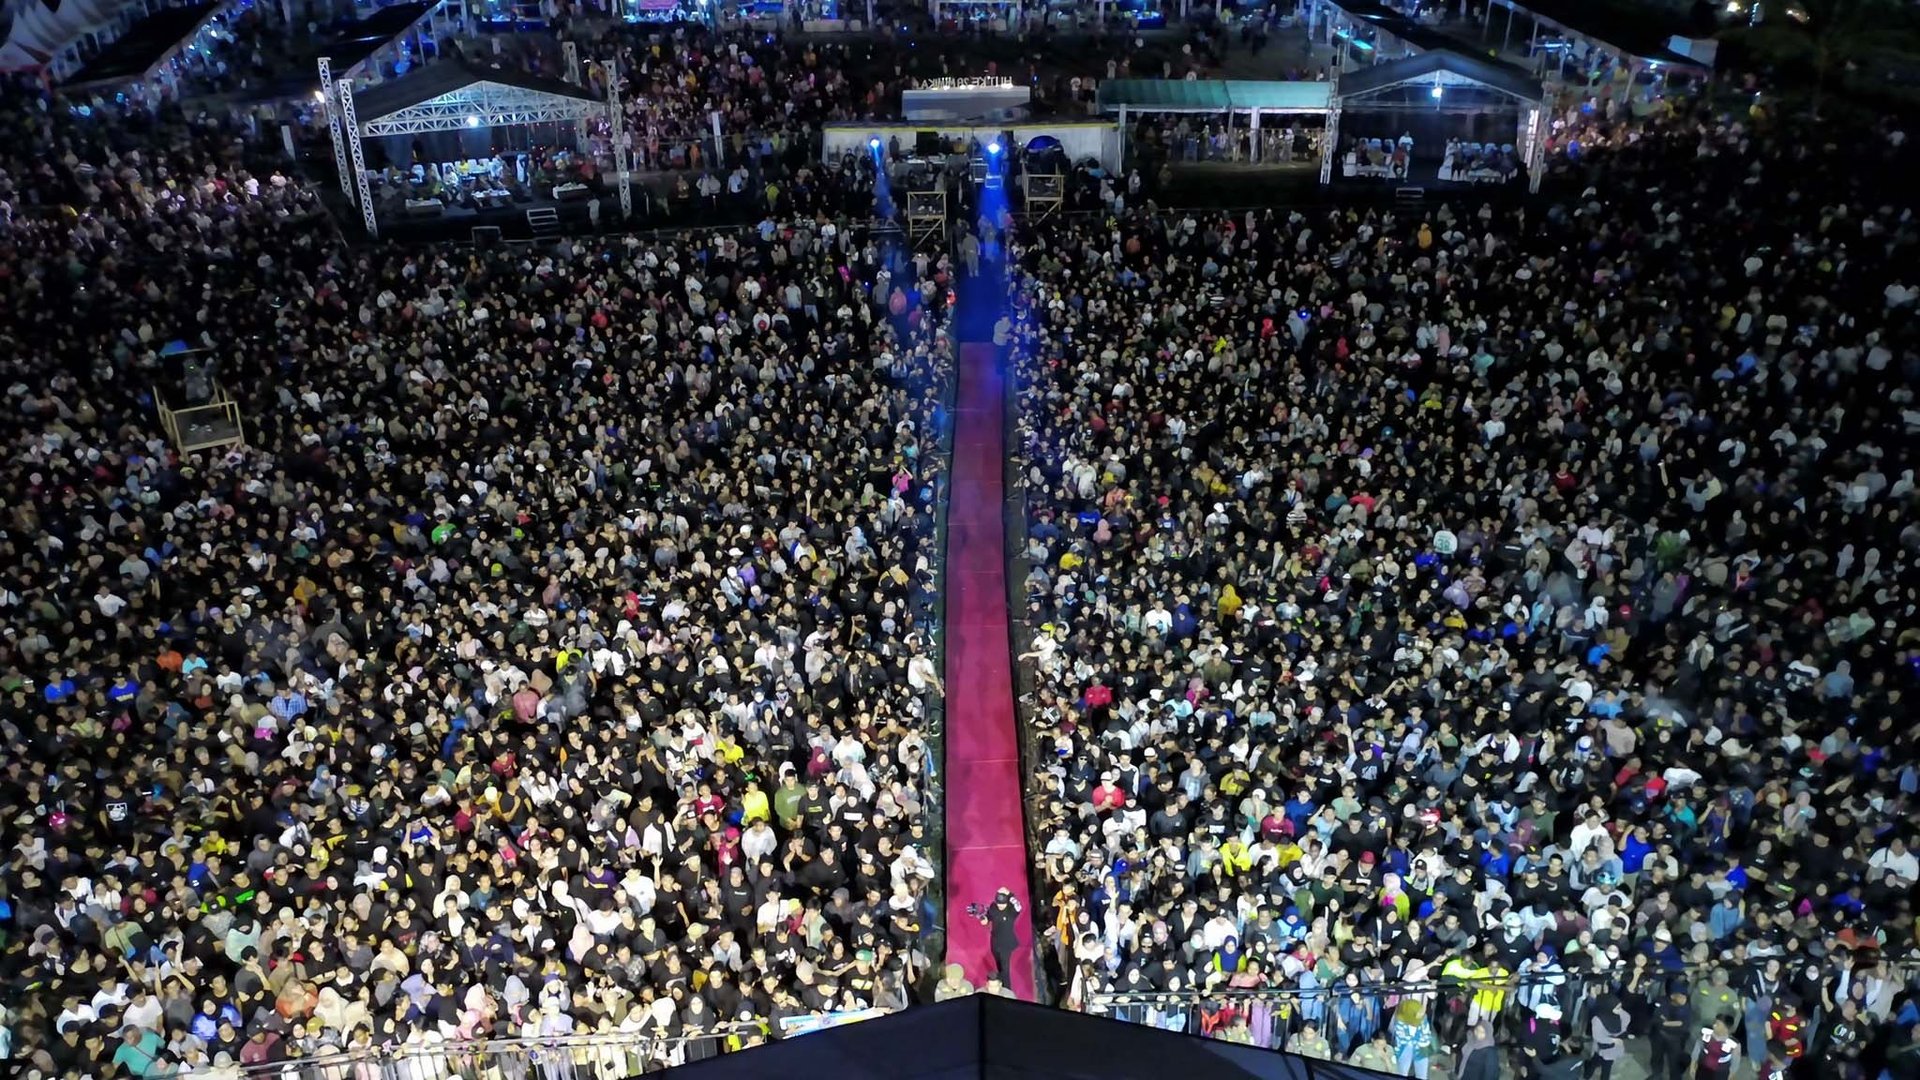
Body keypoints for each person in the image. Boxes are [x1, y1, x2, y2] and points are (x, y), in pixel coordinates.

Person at [978, 887, 1025, 988]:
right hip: (995, 942)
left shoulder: (1012, 910)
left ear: (1007, 902)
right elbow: (988, 917)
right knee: (999, 965)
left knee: (1005, 969)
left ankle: (1007, 990)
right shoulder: (993, 907)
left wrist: (1010, 894)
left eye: (1002, 903)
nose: (1000, 906)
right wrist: (984, 920)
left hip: (1006, 944)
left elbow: (1019, 906)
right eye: (998, 903)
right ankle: (1001, 981)